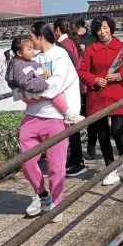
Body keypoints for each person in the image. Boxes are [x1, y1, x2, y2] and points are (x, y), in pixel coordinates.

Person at [16, 21, 79, 218]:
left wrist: (32, 93)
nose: (29, 41)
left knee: (56, 165)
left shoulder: (60, 55)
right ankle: (41, 194)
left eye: (31, 36)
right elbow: (19, 85)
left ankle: (57, 203)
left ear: (40, 36)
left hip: (55, 117)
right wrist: (30, 94)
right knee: (26, 160)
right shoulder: (30, 57)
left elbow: (55, 86)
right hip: (31, 116)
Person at [77, 15, 123, 186]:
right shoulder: (91, 49)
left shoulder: (122, 47)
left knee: (118, 130)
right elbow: (82, 71)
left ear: (111, 28)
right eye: (99, 29)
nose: (102, 32)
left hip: (117, 95)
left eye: (105, 28)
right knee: (102, 134)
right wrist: (94, 79)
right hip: (97, 97)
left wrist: (120, 76)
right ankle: (110, 169)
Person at [6, 35, 81, 123]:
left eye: (32, 48)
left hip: (29, 90)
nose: (32, 51)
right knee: (53, 94)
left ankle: (69, 115)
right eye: (29, 49)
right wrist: (44, 83)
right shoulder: (20, 65)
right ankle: (69, 115)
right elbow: (26, 82)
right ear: (19, 53)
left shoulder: (24, 61)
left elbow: (30, 77)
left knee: (51, 93)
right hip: (28, 91)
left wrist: (41, 77)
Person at [53, 17, 88, 177]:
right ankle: (75, 159)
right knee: (73, 125)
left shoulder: (62, 45)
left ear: (57, 30)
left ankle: (77, 161)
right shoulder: (73, 42)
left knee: (71, 125)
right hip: (79, 87)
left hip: (70, 89)